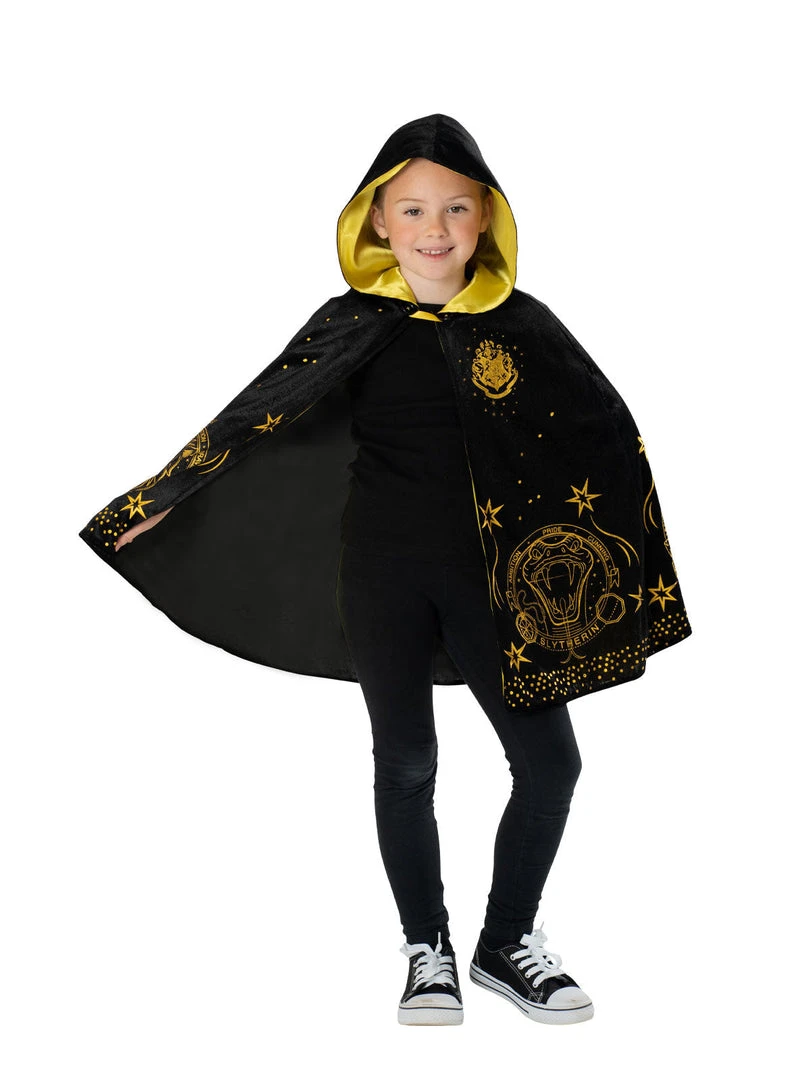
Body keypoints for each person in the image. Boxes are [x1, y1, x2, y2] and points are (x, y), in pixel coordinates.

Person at [81, 115, 691, 1027]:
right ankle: (426, 951)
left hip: (497, 585)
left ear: (487, 218)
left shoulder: (525, 325)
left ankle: (504, 944)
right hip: (381, 575)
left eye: (455, 208)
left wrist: (614, 550)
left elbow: (604, 429)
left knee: (550, 764)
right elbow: (258, 415)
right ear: (376, 221)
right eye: (411, 209)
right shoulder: (350, 323)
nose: (434, 228)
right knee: (406, 762)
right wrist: (165, 496)